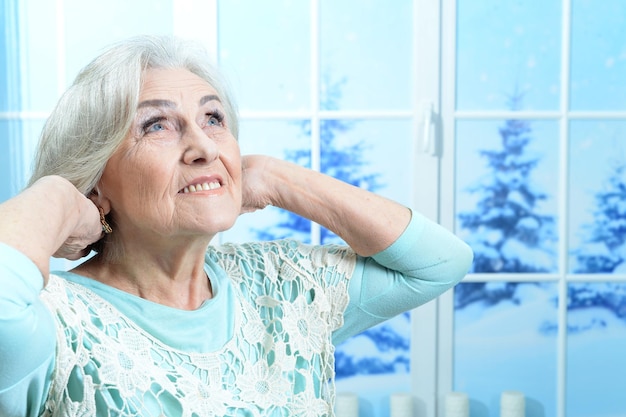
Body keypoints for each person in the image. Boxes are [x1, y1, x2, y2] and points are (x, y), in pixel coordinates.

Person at [0, 35, 473, 417]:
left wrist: (274, 176)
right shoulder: (52, 322)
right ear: (96, 180)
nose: (204, 146)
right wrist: (59, 195)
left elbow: (438, 263)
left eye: (213, 118)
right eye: (156, 126)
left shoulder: (283, 287)